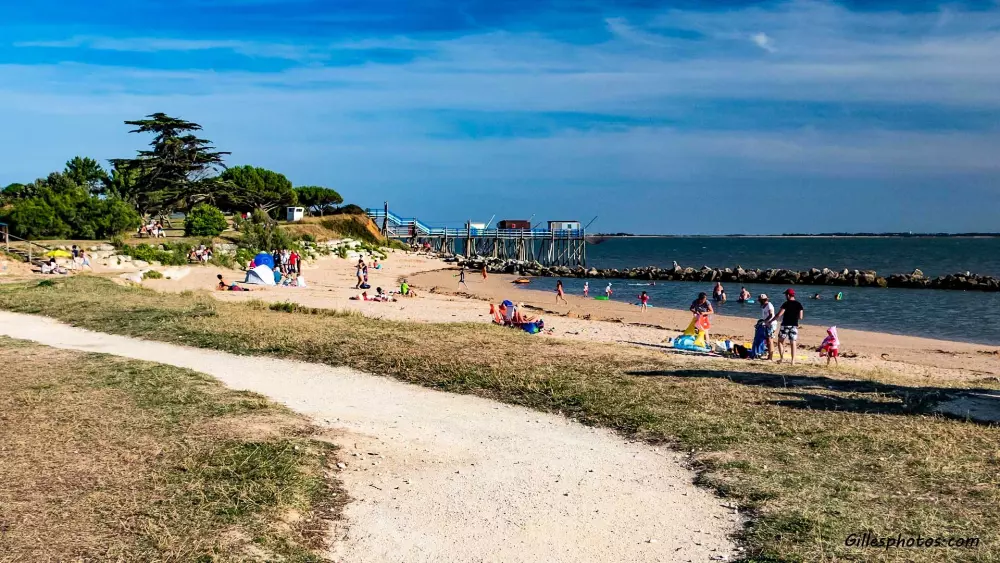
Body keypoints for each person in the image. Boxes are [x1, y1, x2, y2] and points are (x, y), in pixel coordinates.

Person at [773, 288, 805, 364]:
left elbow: (779, 314)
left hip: (785, 324)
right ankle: (793, 361)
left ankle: (781, 358)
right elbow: (801, 317)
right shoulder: (799, 304)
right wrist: (794, 316)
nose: (785, 296)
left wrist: (772, 320)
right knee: (793, 342)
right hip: (794, 325)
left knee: (780, 341)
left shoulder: (786, 304)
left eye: (785, 295)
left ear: (788, 295)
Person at [758, 294, 776, 360]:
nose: (759, 301)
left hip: (771, 324)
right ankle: (769, 355)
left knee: (770, 340)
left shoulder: (769, 305)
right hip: (767, 324)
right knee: (767, 340)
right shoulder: (764, 306)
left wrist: (765, 321)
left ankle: (770, 357)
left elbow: (771, 315)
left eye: (760, 300)